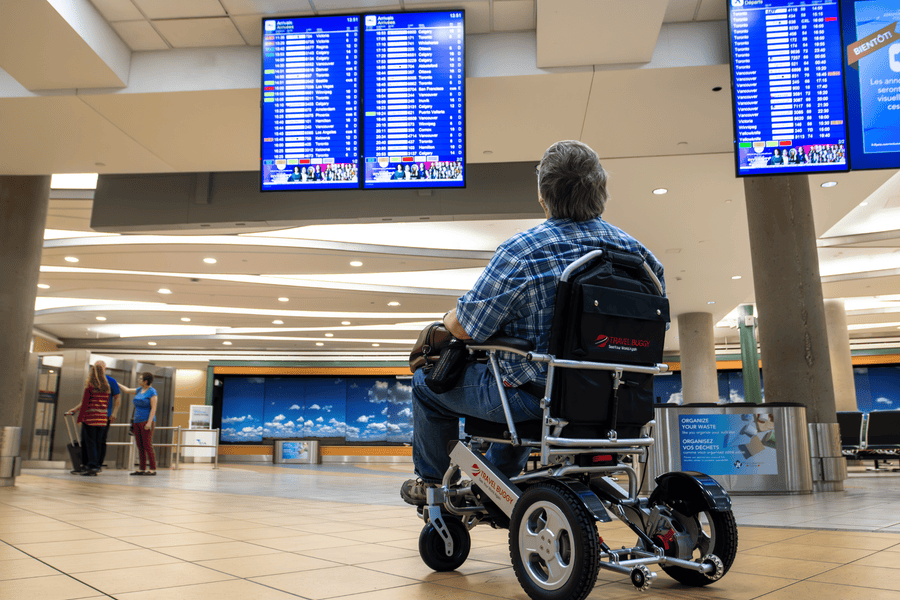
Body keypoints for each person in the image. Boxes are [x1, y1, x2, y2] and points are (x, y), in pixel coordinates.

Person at [400, 140, 666, 505]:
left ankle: (433, 487)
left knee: (427, 386)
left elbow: (467, 328)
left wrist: (445, 320)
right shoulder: (643, 260)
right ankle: (494, 485)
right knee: (520, 384)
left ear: (543, 197)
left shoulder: (524, 251)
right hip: (620, 404)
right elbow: (652, 333)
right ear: (602, 192)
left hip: (541, 400)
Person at [64, 363, 111, 476]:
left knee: (90, 443)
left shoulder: (90, 386)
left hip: (90, 419)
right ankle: (96, 465)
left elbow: (85, 404)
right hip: (102, 419)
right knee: (98, 443)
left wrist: (79, 418)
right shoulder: (106, 387)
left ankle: (91, 466)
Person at [120, 373, 159, 476]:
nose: (139, 379)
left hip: (146, 421)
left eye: (141, 378)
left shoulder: (152, 392)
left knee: (147, 445)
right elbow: (127, 390)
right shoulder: (139, 390)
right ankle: (142, 468)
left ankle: (152, 468)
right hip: (137, 421)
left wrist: (149, 422)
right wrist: (116, 383)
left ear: (146, 381)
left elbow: (153, 408)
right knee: (140, 445)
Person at [95, 360, 121, 469]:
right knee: (91, 440)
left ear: (105, 368)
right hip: (92, 415)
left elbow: (117, 397)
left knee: (101, 439)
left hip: (105, 415)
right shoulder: (91, 381)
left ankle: (98, 463)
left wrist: (114, 413)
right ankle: (90, 462)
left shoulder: (111, 381)